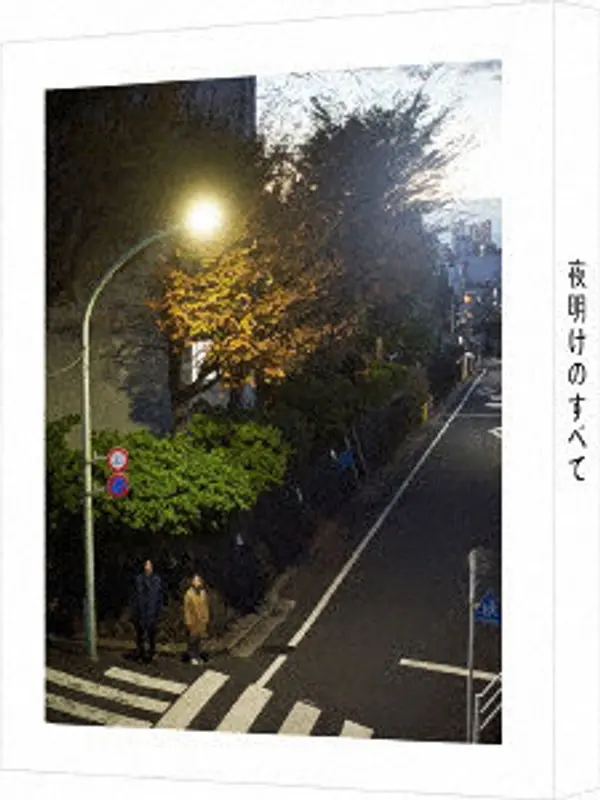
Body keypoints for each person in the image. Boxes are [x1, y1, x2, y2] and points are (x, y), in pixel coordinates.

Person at [132, 559, 163, 663]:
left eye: (149, 565)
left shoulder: (156, 579)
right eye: (146, 565)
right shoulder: (139, 579)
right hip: (141, 611)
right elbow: (135, 596)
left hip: (152, 610)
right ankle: (141, 653)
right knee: (140, 635)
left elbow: (159, 596)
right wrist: (135, 611)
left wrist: (158, 610)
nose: (148, 567)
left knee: (152, 634)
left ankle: (152, 652)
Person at [183, 574, 210, 665]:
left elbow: (205, 606)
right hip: (193, 620)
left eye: (199, 581)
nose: (197, 583)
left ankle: (198, 655)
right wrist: (188, 621)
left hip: (201, 620)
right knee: (192, 640)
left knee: (199, 639)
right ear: (192, 582)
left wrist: (206, 618)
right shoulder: (189, 594)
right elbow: (187, 609)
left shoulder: (203, 593)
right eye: (195, 581)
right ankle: (192, 656)